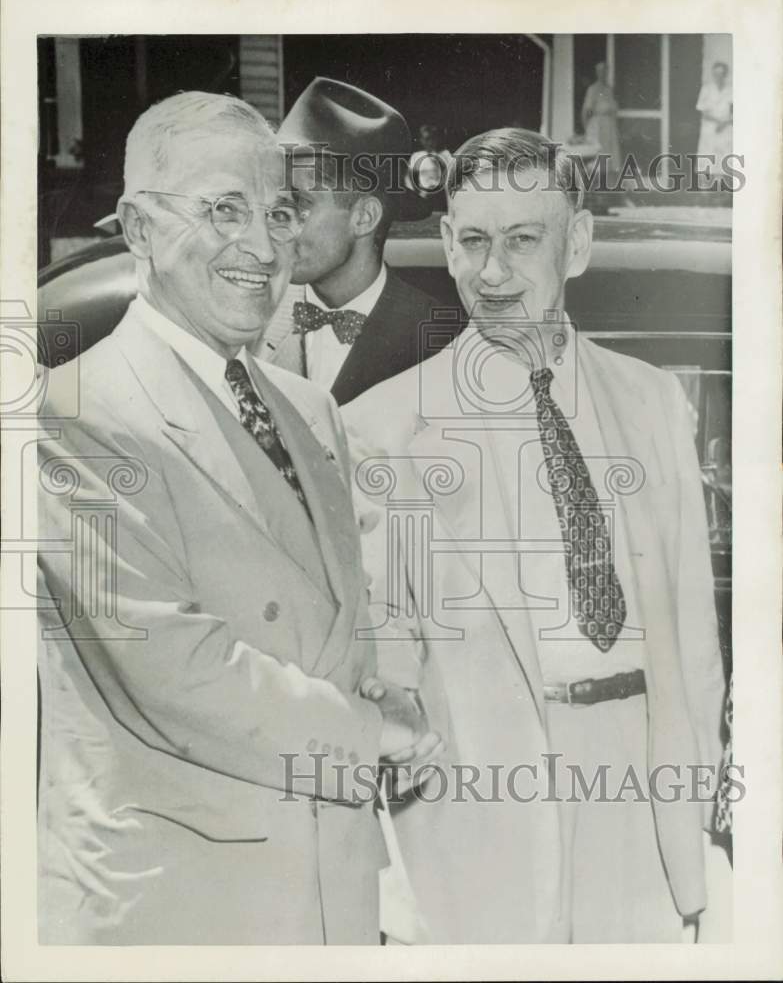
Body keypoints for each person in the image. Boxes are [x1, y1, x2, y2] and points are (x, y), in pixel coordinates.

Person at [36, 91, 439, 945]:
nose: (264, 246)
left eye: (279, 211)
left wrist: (382, 686)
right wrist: (374, 730)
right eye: (223, 210)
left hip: (329, 898)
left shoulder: (305, 408)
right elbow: (179, 672)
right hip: (185, 910)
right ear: (139, 229)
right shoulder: (73, 415)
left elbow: (338, 626)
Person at [343, 128, 729, 943]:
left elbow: (693, 639)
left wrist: (691, 823)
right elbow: (383, 645)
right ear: (445, 243)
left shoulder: (652, 402)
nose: (493, 272)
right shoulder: (382, 428)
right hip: (475, 819)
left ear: (576, 244)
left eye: (523, 241)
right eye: (474, 241)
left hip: (641, 805)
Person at [257, 78, 463, 405]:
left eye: (299, 204)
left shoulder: (444, 341)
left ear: (364, 217)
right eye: (275, 206)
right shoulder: (249, 316)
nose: (276, 225)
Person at [581, 61, 622, 174]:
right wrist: (586, 130)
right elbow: (585, 111)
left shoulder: (609, 89)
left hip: (609, 126)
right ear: (597, 73)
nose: (603, 74)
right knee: (598, 155)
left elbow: (614, 110)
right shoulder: (593, 89)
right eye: (600, 71)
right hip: (598, 126)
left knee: (610, 155)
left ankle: (607, 185)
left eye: (605, 71)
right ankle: (595, 184)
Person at [696, 61, 733, 174]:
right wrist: (718, 122)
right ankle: (705, 186)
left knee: (724, 155)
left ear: (725, 74)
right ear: (713, 74)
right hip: (710, 126)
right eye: (716, 73)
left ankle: (721, 184)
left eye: (721, 73)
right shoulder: (707, 88)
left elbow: (733, 111)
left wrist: (725, 122)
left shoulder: (730, 90)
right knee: (708, 155)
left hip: (726, 126)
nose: (719, 76)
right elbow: (703, 112)